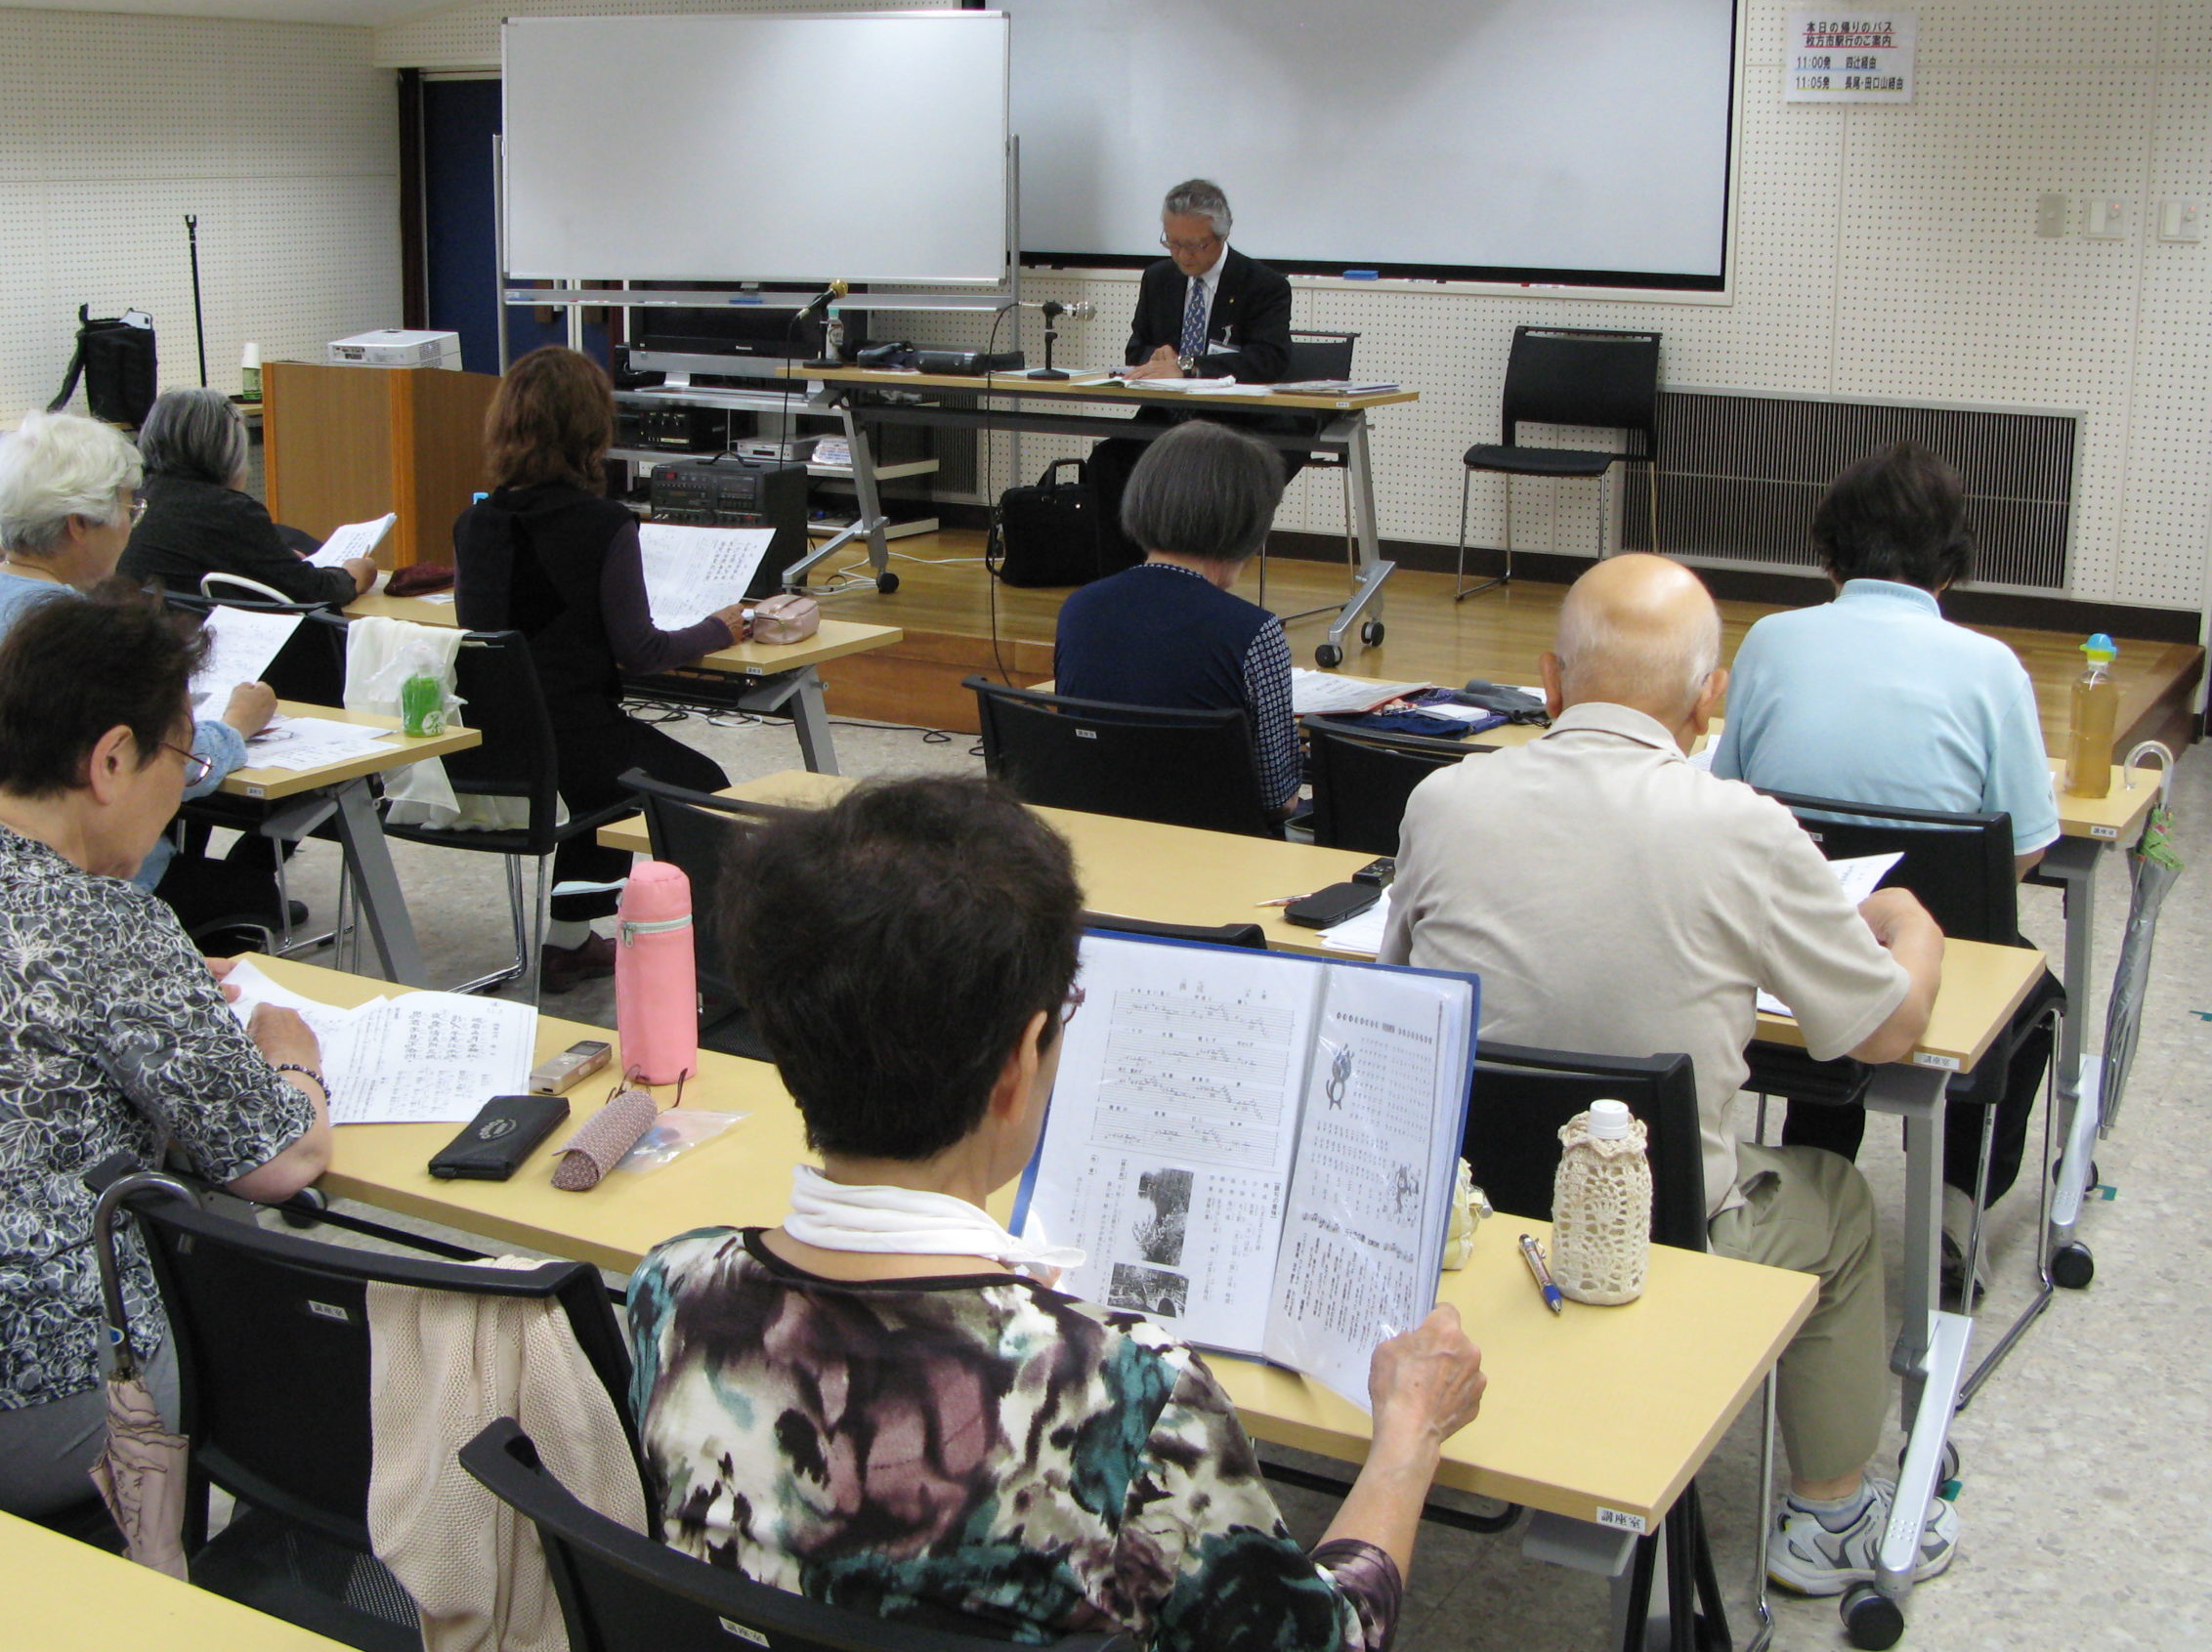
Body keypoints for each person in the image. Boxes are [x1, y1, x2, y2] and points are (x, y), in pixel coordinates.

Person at [628, 776, 1484, 1649]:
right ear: (1016, 1069)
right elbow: (1326, 1641)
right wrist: (1408, 1437)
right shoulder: (1125, 1391)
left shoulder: (673, 1293)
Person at [1378, 554, 1959, 1600]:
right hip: (1660, 1235)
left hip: (1465, 1216)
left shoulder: (1442, 800)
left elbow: (1401, 1001)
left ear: (1549, 683)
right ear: (1709, 702)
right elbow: (1884, 1032)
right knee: (1838, 1204)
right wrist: (1911, 928)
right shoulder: (1744, 828)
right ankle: (1829, 1518)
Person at [0, 583, 331, 1516]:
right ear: (112, 760)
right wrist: (293, 1056)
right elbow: (282, 1161)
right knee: (251, 1266)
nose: (179, 785)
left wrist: (159, 993)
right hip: (23, 1406)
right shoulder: (108, 922)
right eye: (182, 756)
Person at [1714, 444, 2062, 1293]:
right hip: (1925, 958)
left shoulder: (1770, 640)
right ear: (1950, 565)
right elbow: (2027, 846)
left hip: (1790, 954)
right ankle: (1950, 1216)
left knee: (1819, 956)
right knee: (2035, 1001)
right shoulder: (1991, 668)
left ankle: (1808, 1177)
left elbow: (1725, 801)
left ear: (1828, 553)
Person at [0, 412, 280, 933]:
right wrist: (236, 728)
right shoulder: (71, 628)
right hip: (79, 886)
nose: (134, 522)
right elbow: (164, 767)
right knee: (249, 890)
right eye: (130, 506)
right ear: (78, 524)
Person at [452, 346, 744, 990]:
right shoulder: (602, 524)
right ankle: (720, 968)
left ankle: (568, 942)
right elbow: (641, 652)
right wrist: (717, 630)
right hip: (575, 735)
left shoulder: (473, 523)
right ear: (589, 430)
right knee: (703, 789)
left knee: (608, 785)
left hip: (496, 744)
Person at [1054, 420, 1300, 820]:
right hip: (1220, 855)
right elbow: (1278, 799)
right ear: (1249, 523)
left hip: (1100, 836)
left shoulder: (1079, 609)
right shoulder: (1254, 631)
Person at [1085, 179, 1309, 576]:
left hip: (1237, 426)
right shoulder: (1158, 278)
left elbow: (1269, 359)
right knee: (1108, 461)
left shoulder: (1263, 284)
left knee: (1207, 480)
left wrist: (1190, 365)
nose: (1182, 254)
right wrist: (1156, 357)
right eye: (1172, 243)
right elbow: (1136, 348)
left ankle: (1199, 585)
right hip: (1167, 422)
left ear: (1222, 236)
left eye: (1194, 245)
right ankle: (1125, 585)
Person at [119, 387, 376, 607]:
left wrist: (278, 560)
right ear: (225, 450)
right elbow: (313, 591)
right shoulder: (226, 510)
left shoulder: (135, 498)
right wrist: (354, 574)